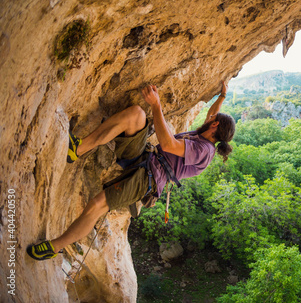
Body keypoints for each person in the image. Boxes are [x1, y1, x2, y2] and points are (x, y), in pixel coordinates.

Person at [27, 82, 235, 261]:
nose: (209, 116)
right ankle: (77, 149)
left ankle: (54, 247)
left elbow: (169, 144)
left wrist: (157, 105)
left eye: (213, 118)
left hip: (148, 179)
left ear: (214, 125)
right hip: (147, 157)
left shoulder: (203, 151)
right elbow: (212, 113)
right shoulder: (203, 136)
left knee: (97, 205)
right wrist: (222, 95)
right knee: (136, 114)